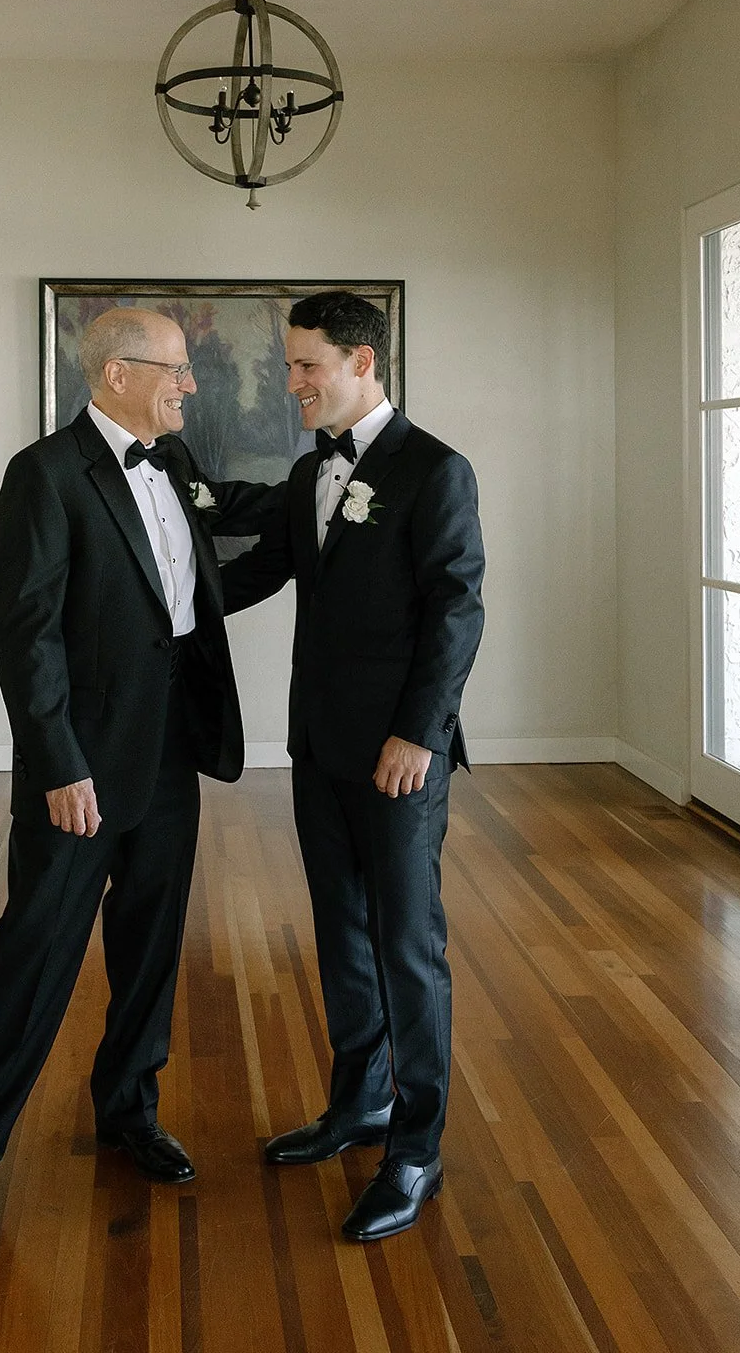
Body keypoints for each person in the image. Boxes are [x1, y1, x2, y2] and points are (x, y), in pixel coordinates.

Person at [0, 307, 277, 1243]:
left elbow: (187, 585)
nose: (191, 385)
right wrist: (57, 764)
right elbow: (25, 634)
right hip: (80, 766)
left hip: (170, 748)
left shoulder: (173, 461)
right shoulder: (43, 474)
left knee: (150, 943)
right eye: (175, 369)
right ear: (117, 374)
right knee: (37, 949)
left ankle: (128, 1110)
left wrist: (328, 505)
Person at [220, 291, 485, 1243]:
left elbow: (456, 610)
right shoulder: (309, 473)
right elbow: (260, 571)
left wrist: (418, 735)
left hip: (398, 756)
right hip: (318, 746)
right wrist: (151, 599)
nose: (292, 382)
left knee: (406, 944)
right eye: (290, 364)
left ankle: (416, 1149)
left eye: (307, 365)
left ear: (361, 363)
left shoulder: (434, 469)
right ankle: (359, 1103)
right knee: (340, 932)